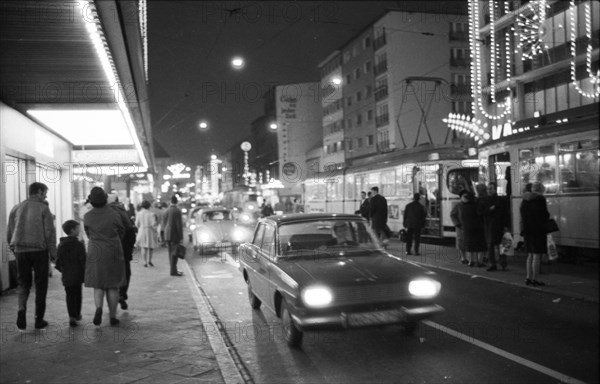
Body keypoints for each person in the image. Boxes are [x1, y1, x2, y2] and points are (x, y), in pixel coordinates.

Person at [7, 182, 57, 330]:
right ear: (39, 192)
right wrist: (53, 254)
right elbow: (49, 233)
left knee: (23, 283)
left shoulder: (17, 207)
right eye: (45, 193)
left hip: (21, 250)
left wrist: (13, 247)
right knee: (41, 284)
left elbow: (10, 230)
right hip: (39, 250)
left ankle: (21, 310)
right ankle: (38, 319)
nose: (46, 196)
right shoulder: (43, 208)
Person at [84, 187, 126, 327]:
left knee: (98, 284)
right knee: (112, 285)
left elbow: (88, 233)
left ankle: (98, 308)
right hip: (113, 249)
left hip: (95, 250)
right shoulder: (113, 214)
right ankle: (113, 316)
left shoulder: (88, 216)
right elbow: (121, 230)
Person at [55, 220, 86, 327]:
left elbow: (58, 261)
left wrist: (63, 270)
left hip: (67, 275)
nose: (79, 230)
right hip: (78, 275)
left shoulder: (61, 245)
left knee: (69, 295)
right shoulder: (79, 245)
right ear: (73, 230)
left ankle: (71, 316)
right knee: (78, 295)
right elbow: (83, 260)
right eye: (78, 228)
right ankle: (77, 313)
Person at [108, 194, 137, 310]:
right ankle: (122, 293)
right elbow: (130, 228)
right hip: (126, 245)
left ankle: (115, 295)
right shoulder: (122, 209)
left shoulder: (108, 211)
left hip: (114, 244)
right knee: (125, 269)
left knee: (113, 271)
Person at [520, 182, 549, 287]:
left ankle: (528, 277)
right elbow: (544, 214)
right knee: (537, 255)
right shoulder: (540, 199)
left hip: (527, 230)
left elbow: (523, 215)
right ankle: (535, 279)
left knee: (530, 255)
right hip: (538, 230)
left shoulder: (525, 199)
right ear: (541, 189)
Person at [478, 182, 510, 271]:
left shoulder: (500, 200)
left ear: (495, 189)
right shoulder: (484, 200)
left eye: (491, 189)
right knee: (492, 245)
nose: (489, 190)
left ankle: (501, 263)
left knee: (500, 245)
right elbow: (480, 212)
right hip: (490, 226)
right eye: (488, 189)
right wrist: (489, 210)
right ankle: (494, 264)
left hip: (498, 225)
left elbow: (505, 214)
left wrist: (505, 225)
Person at [459, 191, 487, 267]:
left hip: (467, 229)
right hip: (478, 228)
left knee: (470, 245)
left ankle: (471, 261)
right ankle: (479, 261)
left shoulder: (463, 207)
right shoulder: (476, 205)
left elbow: (462, 218)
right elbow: (481, 215)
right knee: (480, 245)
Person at [163, 195, 184, 277]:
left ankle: (173, 269)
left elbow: (164, 224)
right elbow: (179, 225)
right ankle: (173, 271)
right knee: (174, 253)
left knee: (170, 253)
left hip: (167, 234)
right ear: (177, 202)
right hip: (174, 235)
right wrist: (181, 237)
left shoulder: (166, 210)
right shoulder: (177, 211)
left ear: (170, 202)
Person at [136, 200, 158, 267]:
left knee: (143, 247)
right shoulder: (152, 214)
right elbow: (153, 224)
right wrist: (156, 231)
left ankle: (145, 262)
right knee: (151, 247)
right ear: (149, 206)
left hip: (142, 230)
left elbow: (137, 224)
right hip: (150, 231)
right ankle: (149, 260)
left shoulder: (139, 213)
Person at [450, 190, 469, 264]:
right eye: (464, 196)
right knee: (461, 242)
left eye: (467, 196)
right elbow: (452, 215)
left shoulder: (469, 205)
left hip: (467, 227)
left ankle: (467, 257)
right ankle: (463, 257)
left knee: (467, 242)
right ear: (461, 197)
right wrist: (457, 224)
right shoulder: (458, 205)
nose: (466, 198)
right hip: (460, 227)